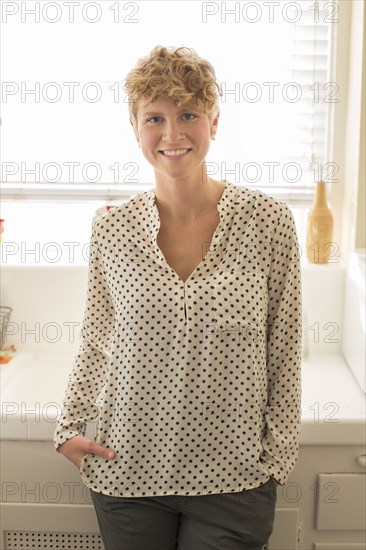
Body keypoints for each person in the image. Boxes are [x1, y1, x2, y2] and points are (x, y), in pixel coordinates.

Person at [54, 45, 302, 550]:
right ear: (134, 125)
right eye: (155, 118)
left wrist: (276, 461)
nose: (172, 134)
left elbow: (286, 350)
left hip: (234, 482)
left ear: (214, 120)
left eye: (188, 114)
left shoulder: (269, 222)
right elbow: (98, 339)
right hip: (127, 471)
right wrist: (68, 427)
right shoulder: (112, 227)